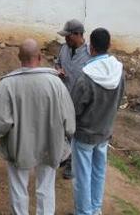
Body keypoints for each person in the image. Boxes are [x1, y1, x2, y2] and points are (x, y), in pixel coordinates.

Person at [0, 39, 76, 215]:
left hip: (18, 146)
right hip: (50, 145)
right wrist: (66, 135)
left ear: (19, 57)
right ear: (40, 57)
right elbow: (70, 122)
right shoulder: (56, 84)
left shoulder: (7, 84)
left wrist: (3, 133)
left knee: (18, 186)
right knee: (46, 186)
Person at [70, 28, 125, 215]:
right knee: (98, 172)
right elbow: (118, 101)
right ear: (109, 46)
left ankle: (84, 212)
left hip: (85, 134)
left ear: (90, 47)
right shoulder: (119, 70)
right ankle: (95, 209)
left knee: (82, 176)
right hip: (104, 132)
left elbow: (74, 109)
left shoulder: (86, 76)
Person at [55, 19, 91, 179]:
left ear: (78, 35)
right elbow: (57, 63)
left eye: (68, 36)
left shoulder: (90, 54)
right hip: (63, 97)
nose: (66, 39)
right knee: (62, 129)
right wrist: (58, 70)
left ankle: (72, 164)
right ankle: (64, 156)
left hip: (80, 102)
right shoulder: (64, 49)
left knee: (75, 133)